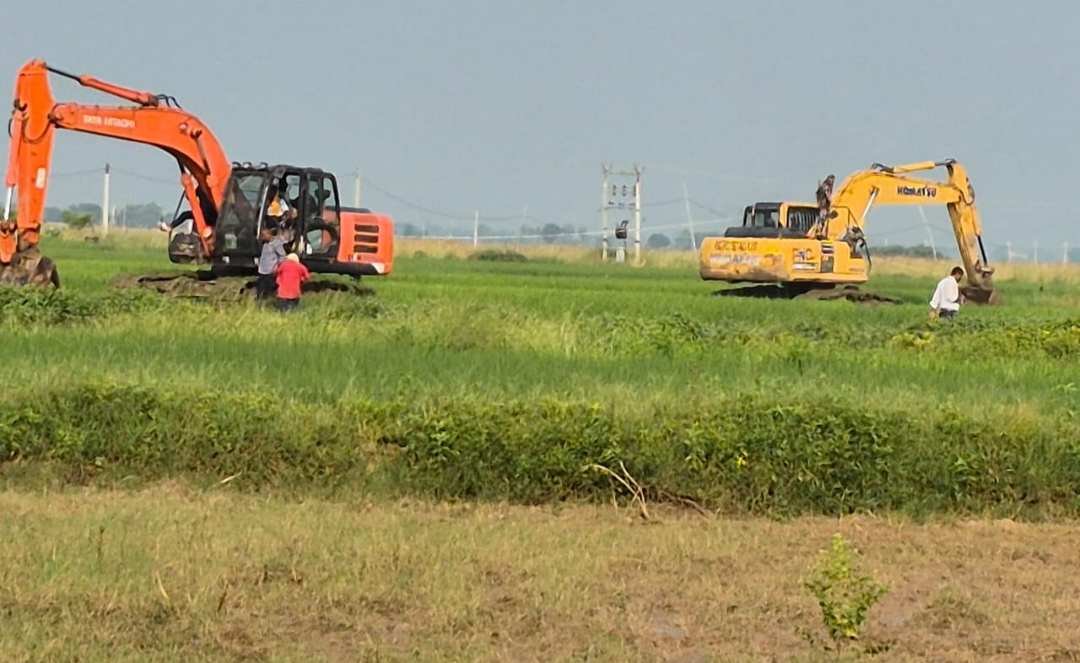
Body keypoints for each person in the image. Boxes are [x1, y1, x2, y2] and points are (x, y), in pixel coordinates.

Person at [256, 228, 286, 300]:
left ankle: (271, 299)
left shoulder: (276, 244)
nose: (262, 237)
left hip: (271, 269)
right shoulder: (265, 244)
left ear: (269, 235)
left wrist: (277, 267)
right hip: (262, 269)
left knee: (270, 287)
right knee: (260, 287)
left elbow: (282, 256)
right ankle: (260, 299)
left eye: (263, 235)